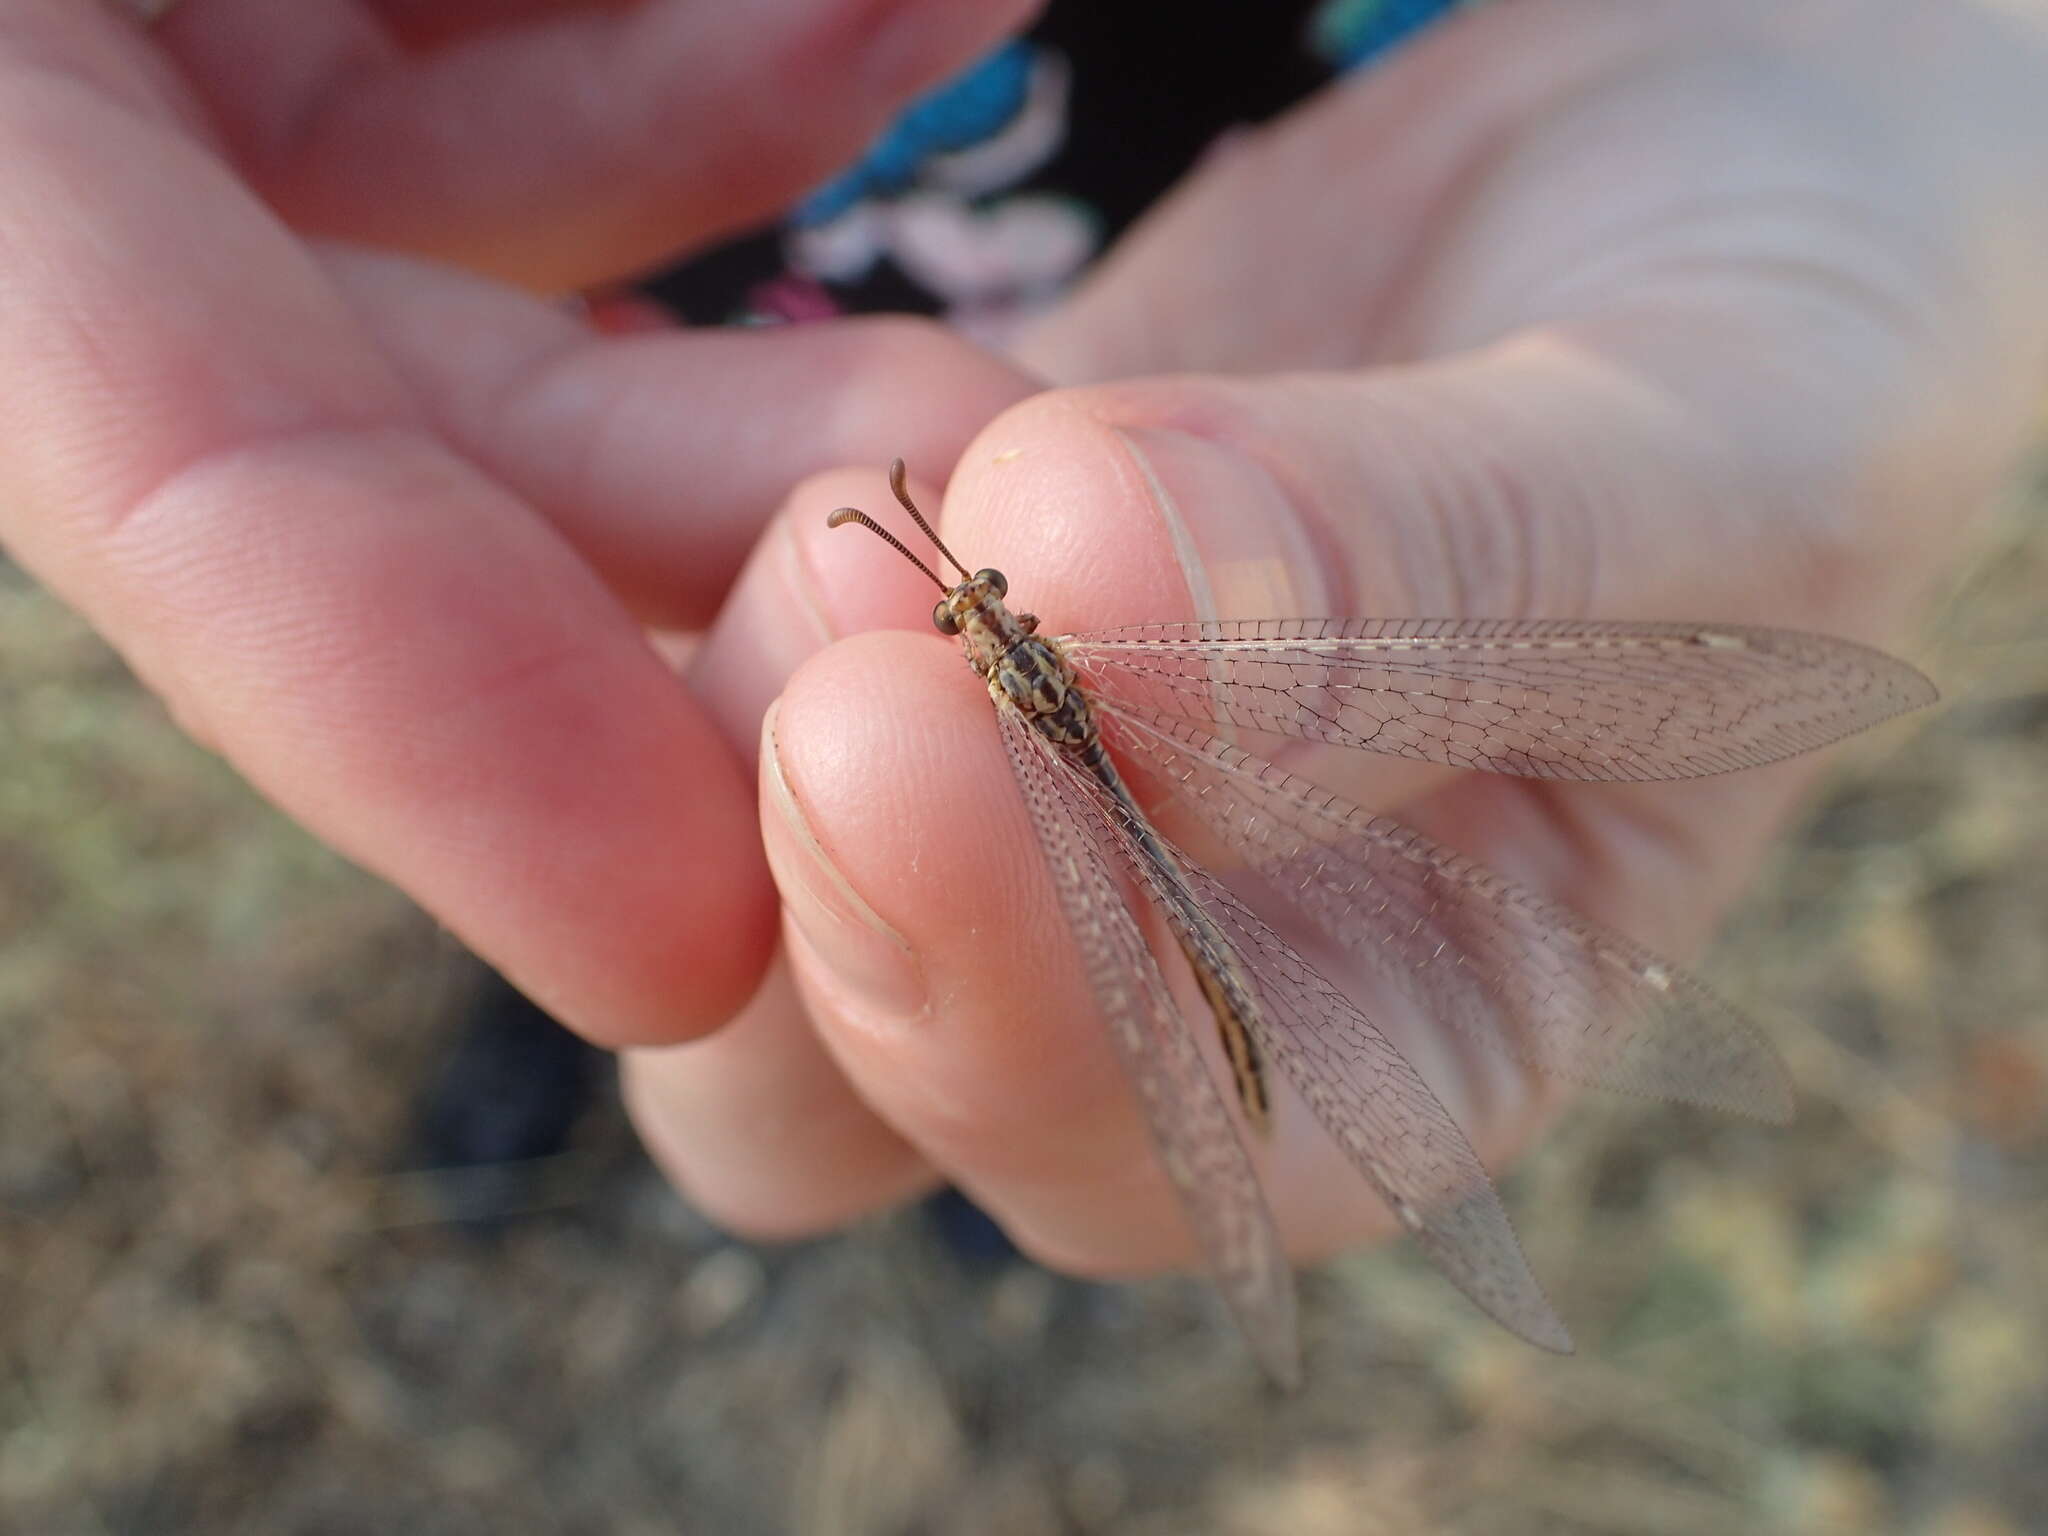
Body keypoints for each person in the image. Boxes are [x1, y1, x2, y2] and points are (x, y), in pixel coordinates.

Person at [8, 0, 2044, 1282]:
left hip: (1398, 179)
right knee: (652, 819)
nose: (983, 604)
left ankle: (1002, 1181)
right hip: (652, 405)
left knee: (976, 936)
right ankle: (592, 1031)